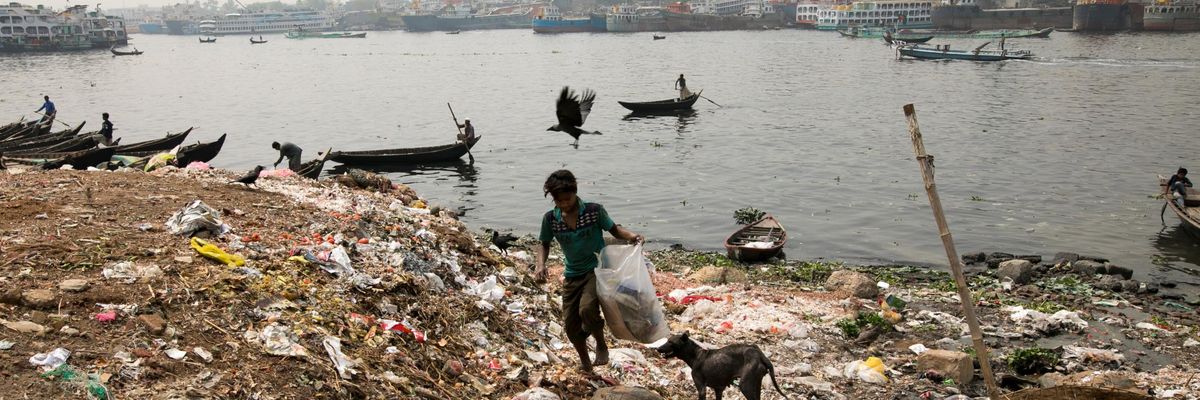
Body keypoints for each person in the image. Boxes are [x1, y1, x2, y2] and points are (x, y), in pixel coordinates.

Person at [535, 169, 643, 374]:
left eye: (567, 199)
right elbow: (544, 244)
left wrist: (633, 236)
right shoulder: (550, 219)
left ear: (575, 192)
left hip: (597, 269)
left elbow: (614, 230)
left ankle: (601, 344)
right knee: (570, 326)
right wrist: (540, 265)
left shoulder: (594, 211)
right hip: (572, 274)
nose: (565, 204)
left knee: (586, 309)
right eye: (559, 201)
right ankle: (585, 361)